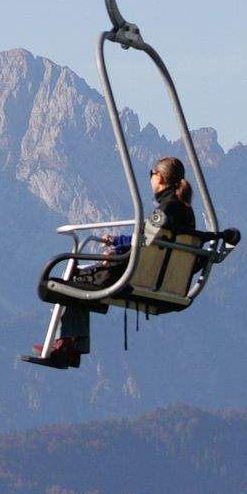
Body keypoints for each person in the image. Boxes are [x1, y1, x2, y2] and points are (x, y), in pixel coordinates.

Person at [28, 157, 196, 368]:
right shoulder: (187, 213)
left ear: (159, 177)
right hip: (167, 282)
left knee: (70, 282)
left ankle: (68, 345)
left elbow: (142, 245)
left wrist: (116, 254)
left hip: (134, 277)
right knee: (81, 283)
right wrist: (119, 243)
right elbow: (152, 244)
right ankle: (70, 346)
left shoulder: (162, 213)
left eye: (151, 174)